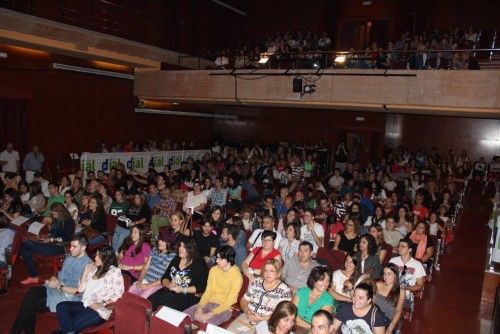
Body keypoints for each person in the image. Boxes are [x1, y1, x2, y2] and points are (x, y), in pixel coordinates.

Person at [11, 236, 92, 334]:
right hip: (57, 289)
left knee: (29, 305)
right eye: (70, 246)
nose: (70, 249)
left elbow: (80, 293)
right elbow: (60, 278)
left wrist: (60, 287)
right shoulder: (70, 258)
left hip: (69, 297)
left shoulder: (88, 266)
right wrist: (53, 278)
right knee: (32, 292)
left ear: (83, 247)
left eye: (74, 246)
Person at [55, 245, 124, 334]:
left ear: (106, 258)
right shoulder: (94, 269)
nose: (95, 258)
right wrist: (85, 272)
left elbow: (119, 295)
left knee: (65, 329)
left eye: (98, 256)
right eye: (96, 255)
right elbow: (80, 290)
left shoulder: (115, 272)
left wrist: (103, 303)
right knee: (61, 306)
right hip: (84, 304)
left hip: (98, 310)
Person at [227, 259, 292, 333]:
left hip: (267, 322)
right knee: (229, 332)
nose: (268, 273)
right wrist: (247, 311)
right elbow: (244, 300)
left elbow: (283, 314)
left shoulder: (284, 290)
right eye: (266, 270)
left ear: (278, 272)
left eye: (271, 271)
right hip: (247, 316)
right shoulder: (257, 281)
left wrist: (261, 318)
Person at [184, 245, 243, 326]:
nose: (217, 261)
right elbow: (208, 291)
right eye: (217, 257)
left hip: (224, 308)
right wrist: (200, 307)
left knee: (206, 325)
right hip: (209, 302)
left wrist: (211, 313)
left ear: (229, 260)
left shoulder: (237, 276)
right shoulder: (214, 270)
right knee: (184, 316)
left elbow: (229, 302)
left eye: (220, 259)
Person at [20, 203, 75, 285]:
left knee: (27, 244)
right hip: (52, 244)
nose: (54, 215)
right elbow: (53, 233)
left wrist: (51, 239)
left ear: (61, 212)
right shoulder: (57, 219)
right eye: (53, 213)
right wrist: (45, 236)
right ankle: (34, 276)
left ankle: (33, 275)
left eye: (55, 213)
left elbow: (66, 238)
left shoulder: (68, 222)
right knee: (26, 251)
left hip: (60, 247)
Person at [148, 237, 209, 311]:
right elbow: (165, 277)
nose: (181, 249)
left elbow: (201, 287)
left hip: (186, 295)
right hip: (168, 291)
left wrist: (183, 289)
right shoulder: (176, 259)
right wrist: (169, 285)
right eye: (180, 246)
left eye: (184, 247)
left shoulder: (199, 264)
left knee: (164, 305)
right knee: (148, 303)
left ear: (191, 249)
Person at [128, 232, 176, 298]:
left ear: (169, 243)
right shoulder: (155, 250)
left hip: (157, 284)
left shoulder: (171, 256)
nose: (159, 242)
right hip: (145, 279)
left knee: (142, 298)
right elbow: (145, 267)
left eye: (163, 241)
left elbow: (165, 277)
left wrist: (148, 285)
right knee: (130, 291)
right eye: (160, 239)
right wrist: (140, 280)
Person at [374, 263, 405, 334]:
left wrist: (390, 329)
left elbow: (398, 311)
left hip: (386, 320)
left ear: (395, 275)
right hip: (373, 315)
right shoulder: (378, 284)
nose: (386, 276)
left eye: (389, 274)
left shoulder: (401, 291)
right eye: (384, 273)